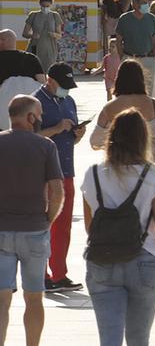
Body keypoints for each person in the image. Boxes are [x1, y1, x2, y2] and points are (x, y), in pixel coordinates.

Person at [80, 108, 155, 346]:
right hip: (144, 259)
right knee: (139, 339)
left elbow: (91, 226)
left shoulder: (93, 175)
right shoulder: (153, 175)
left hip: (102, 259)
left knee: (109, 339)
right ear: (143, 139)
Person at [0, 95, 65, 346]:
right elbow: (57, 191)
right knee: (34, 297)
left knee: (2, 300)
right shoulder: (46, 146)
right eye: (38, 114)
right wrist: (48, 220)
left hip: (2, 230)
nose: (41, 119)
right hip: (35, 230)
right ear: (29, 117)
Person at [33, 64, 85, 293]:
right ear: (49, 81)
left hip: (66, 170)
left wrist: (77, 135)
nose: (66, 91)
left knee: (63, 226)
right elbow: (31, 137)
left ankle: (59, 273)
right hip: (43, 173)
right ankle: (41, 274)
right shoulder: (35, 103)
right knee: (43, 224)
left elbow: (69, 140)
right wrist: (55, 128)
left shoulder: (69, 101)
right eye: (63, 86)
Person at [91, 61, 155, 168]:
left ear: (119, 79)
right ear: (141, 79)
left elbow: (95, 142)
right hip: (151, 168)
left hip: (118, 169)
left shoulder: (109, 108)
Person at [116, 0, 155, 87]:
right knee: (129, 88)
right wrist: (122, 57)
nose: (146, 5)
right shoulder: (124, 19)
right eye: (144, 2)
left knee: (148, 89)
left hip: (148, 58)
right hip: (130, 58)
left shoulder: (151, 18)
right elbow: (118, 40)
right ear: (135, 4)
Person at [23, 0, 63, 72]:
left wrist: (54, 34)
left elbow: (59, 35)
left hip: (50, 49)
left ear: (51, 4)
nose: (45, 8)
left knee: (49, 71)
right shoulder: (33, 15)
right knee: (33, 70)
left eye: (47, 6)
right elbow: (24, 34)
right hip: (35, 47)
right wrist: (32, 35)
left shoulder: (55, 16)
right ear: (40, 4)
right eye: (43, 6)